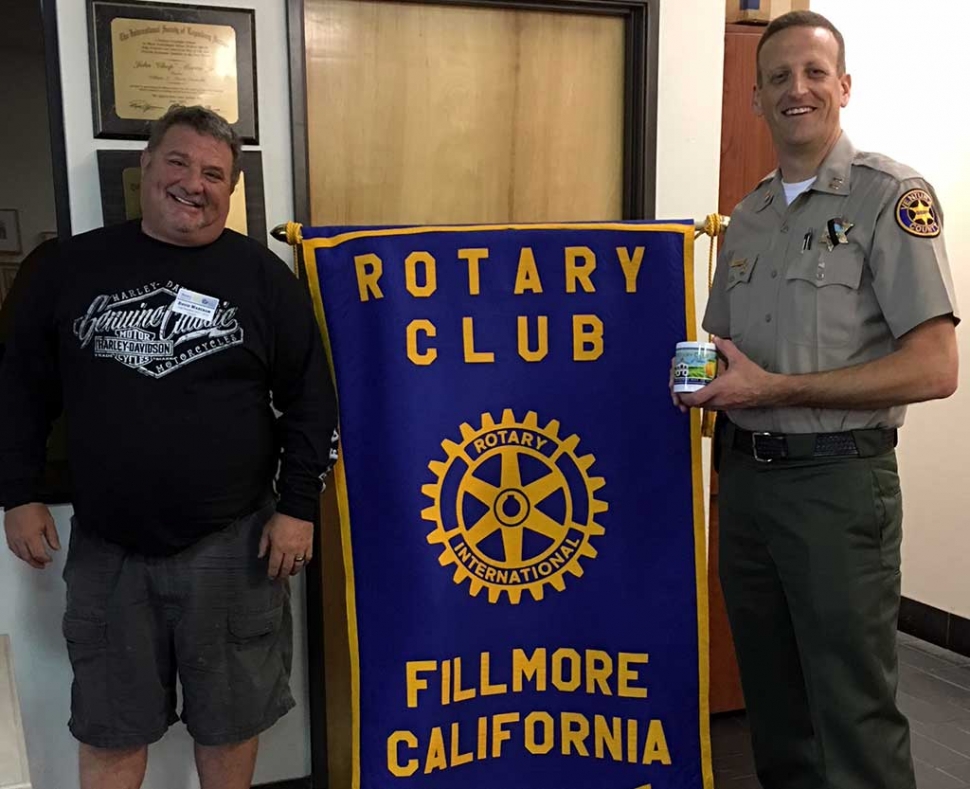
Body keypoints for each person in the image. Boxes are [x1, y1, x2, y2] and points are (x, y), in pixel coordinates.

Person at [0, 105, 339, 789]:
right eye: (178, 162)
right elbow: (19, 389)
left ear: (231, 190)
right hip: (108, 549)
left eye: (214, 172)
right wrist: (18, 491)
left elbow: (312, 398)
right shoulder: (72, 268)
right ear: (146, 167)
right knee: (109, 723)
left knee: (229, 721)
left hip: (235, 542)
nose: (195, 182)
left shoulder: (264, 278)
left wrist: (298, 505)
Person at [674, 11, 959, 789]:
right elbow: (717, 345)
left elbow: (936, 368)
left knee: (853, 714)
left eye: (811, 73)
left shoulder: (891, 197)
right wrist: (697, 384)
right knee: (777, 711)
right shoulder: (750, 216)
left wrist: (778, 387)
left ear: (842, 86)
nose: (795, 89)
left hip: (839, 487)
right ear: (759, 100)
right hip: (750, 486)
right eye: (777, 78)